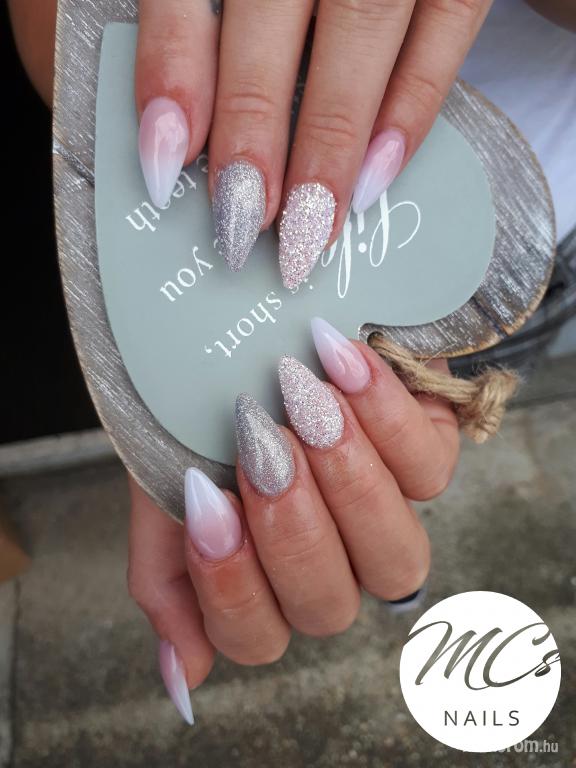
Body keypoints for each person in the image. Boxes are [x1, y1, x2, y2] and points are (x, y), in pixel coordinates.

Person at [8, 0, 575, 725]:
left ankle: (396, 568)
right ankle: (394, 574)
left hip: (522, 241)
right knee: (361, 484)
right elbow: (58, 31)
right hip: (352, 230)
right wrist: (149, 133)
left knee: (403, 468)